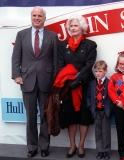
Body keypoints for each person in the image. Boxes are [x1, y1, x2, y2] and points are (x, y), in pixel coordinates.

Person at [11, 6, 58, 158]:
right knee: (30, 116)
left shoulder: (53, 36)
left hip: (46, 81)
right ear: (31, 17)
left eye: (40, 16)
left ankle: (44, 146)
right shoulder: (21, 35)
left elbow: (56, 60)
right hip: (27, 81)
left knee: (46, 116)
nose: (37, 18)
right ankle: (32, 147)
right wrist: (16, 75)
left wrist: (55, 81)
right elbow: (16, 57)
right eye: (34, 15)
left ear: (45, 18)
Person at [58, 13, 97, 158]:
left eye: (76, 25)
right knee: (71, 116)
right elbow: (61, 65)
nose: (73, 28)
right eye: (71, 26)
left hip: (85, 84)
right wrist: (69, 80)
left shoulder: (90, 45)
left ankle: (81, 145)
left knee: (84, 116)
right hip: (68, 85)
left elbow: (88, 65)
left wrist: (78, 79)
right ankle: (72, 145)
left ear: (82, 27)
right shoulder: (62, 45)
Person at [87, 60, 112, 160]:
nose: (98, 73)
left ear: (105, 71)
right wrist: (90, 106)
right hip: (96, 111)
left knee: (106, 133)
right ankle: (99, 151)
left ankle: (106, 151)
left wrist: (111, 109)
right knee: (98, 132)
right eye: (96, 71)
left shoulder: (109, 82)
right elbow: (88, 96)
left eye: (100, 71)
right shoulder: (92, 83)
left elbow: (113, 97)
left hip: (105, 112)